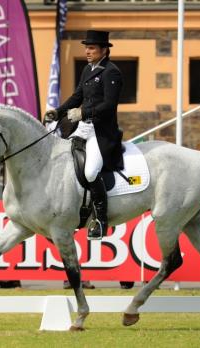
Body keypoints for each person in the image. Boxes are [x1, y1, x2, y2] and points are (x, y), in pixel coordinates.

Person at [44, 30, 124, 240]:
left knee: (90, 172)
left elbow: (109, 105)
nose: (87, 51)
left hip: (101, 132)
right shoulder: (88, 70)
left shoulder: (111, 72)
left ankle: (100, 220)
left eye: (91, 48)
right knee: (63, 163)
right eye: (86, 48)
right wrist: (58, 112)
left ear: (104, 50)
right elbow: (77, 96)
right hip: (83, 128)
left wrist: (84, 112)